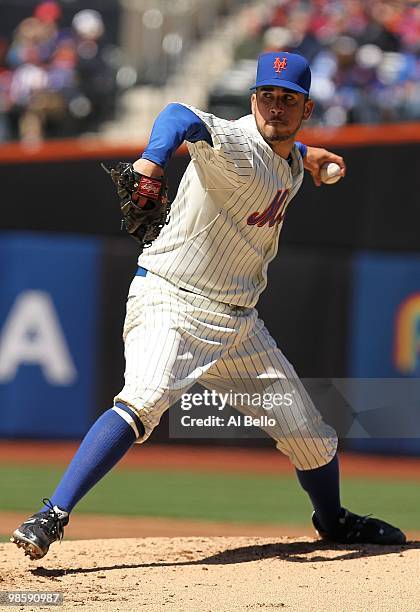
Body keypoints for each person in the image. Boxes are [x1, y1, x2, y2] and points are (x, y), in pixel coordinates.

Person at [11, 51, 405, 560]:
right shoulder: (238, 143)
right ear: (253, 99)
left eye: (289, 99)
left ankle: (332, 520)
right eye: (267, 96)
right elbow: (179, 114)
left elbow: (282, 149)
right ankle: (52, 515)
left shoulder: (287, 158)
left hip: (239, 326)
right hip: (171, 300)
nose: (275, 107)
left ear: (307, 109)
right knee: (145, 398)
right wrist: (153, 159)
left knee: (313, 437)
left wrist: (309, 155)